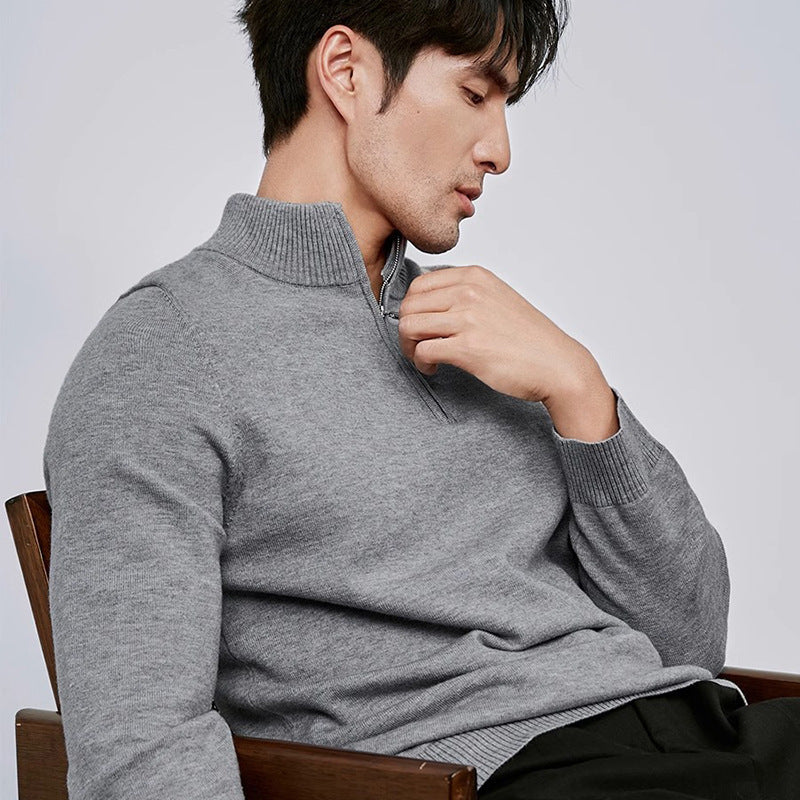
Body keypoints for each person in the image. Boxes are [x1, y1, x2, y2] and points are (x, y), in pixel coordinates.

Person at [42, 1, 799, 799]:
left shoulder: (489, 333)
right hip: (506, 775)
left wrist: (581, 392)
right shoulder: (164, 350)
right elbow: (141, 747)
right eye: (475, 94)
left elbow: (690, 642)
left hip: (703, 734)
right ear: (346, 72)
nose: (500, 151)